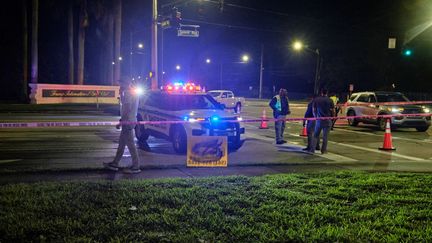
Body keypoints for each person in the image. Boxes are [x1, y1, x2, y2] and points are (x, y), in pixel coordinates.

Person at [104, 77, 141, 173]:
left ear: (125, 83)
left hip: (127, 122)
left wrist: (121, 122)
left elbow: (127, 109)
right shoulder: (132, 92)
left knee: (131, 145)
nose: (119, 86)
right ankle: (115, 163)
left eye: (120, 83)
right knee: (122, 144)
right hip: (130, 121)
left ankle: (136, 167)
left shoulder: (127, 93)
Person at [309, 89, 334, 154]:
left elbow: (313, 109)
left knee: (316, 135)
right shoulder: (330, 100)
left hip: (319, 120)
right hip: (327, 120)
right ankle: (323, 150)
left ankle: (312, 149)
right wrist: (332, 118)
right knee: (325, 136)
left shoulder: (316, 100)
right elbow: (333, 110)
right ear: (327, 93)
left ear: (321, 92)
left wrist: (315, 117)